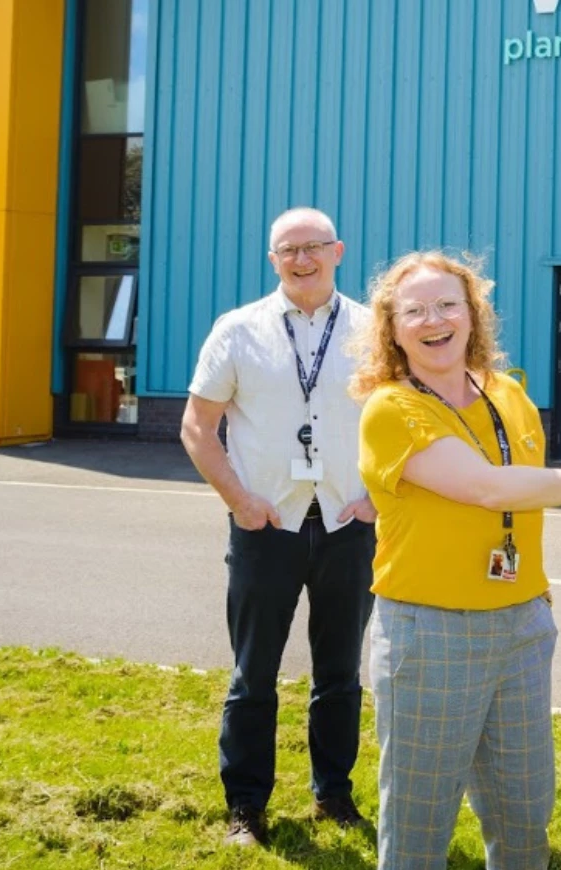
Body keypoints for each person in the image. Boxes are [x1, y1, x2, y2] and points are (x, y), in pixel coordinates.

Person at [353, 251, 561, 870]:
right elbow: (492, 488)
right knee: (419, 825)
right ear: (391, 328)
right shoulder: (391, 409)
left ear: (474, 315)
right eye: (414, 310)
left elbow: (525, 489)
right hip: (430, 634)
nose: (433, 320)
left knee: (525, 815)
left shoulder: (508, 393)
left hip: (520, 625)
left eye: (448, 304)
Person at [181, 207, 378, 846]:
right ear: (273, 260)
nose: (302, 259)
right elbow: (196, 427)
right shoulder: (237, 331)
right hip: (266, 525)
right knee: (252, 674)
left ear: (338, 251)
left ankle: (334, 795)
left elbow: (413, 419)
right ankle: (246, 807)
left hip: (349, 524)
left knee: (341, 673)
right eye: (288, 250)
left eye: (314, 247)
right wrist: (240, 502)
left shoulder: (376, 331)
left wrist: (378, 496)